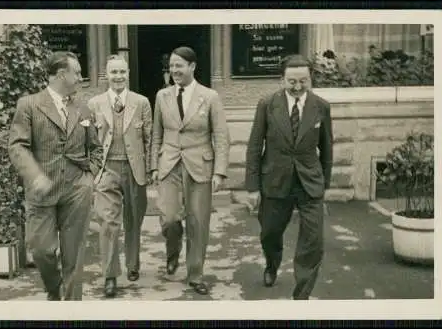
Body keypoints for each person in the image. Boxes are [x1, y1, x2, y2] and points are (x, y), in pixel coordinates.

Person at [8, 51, 103, 301]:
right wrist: (34, 176)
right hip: (42, 190)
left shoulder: (83, 107)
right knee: (41, 250)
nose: (81, 77)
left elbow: (95, 147)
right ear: (62, 75)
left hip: (77, 190)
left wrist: (89, 176)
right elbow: (17, 146)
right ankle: (54, 289)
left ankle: (72, 309)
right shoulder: (28, 104)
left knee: (74, 255)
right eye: (78, 72)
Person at [245, 54, 334, 300]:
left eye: (303, 81)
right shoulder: (267, 104)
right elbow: (254, 146)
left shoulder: (322, 106)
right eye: (291, 81)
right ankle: (272, 264)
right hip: (274, 180)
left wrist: (324, 184)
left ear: (310, 78)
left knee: (313, 241)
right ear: (281, 79)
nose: (297, 87)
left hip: (309, 183)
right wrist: (252, 187)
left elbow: (327, 148)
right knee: (270, 233)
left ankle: (302, 294)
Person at [150, 46, 230, 295]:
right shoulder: (162, 96)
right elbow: (156, 135)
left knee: (198, 222)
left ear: (192, 67)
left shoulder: (210, 97)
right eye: (171, 66)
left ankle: (195, 273)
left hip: (200, 166)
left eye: (179, 65)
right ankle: (172, 252)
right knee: (170, 218)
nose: (174, 70)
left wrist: (219, 172)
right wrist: (154, 165)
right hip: (169, 164)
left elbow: (221, 136)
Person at [88, 55, 153, 298]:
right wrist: (93, 170)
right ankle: (110, 275)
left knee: (134, 219)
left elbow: (150, 138)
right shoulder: (94, 104)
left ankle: (133, 264)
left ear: (128, 74)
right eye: (114, 72)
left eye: (122, 72)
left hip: (135, 170)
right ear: (106, 74)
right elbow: (89, 141)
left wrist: (151, 169)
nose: (118, 77)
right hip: (107, 170)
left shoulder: (142, 102)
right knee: (108, 224)